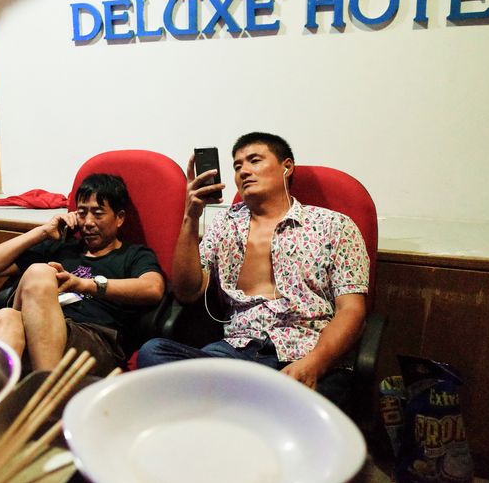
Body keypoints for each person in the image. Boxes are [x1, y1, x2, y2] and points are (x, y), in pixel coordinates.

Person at [136, 133, 369, 406]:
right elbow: (187, 292)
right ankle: (248, 406)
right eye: (237, 166)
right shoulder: (225, 223)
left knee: (302, 410)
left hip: (305, 354)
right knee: (153, 353)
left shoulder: (334, 226)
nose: (244, 170)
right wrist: (191, 216)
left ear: (287, 166)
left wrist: (314, 365)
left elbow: (351, 310)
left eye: (254, 160)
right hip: (235, 356)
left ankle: (230, 408)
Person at [0, 174, 165, 377]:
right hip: (41, 329)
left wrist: (83, 285)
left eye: (98, 214)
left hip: (95, 338)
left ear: (119, 218)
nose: (88, 222)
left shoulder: (133, 255)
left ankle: (48, 391)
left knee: (39, 272)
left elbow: (153, 288)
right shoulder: (63, 247)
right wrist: (43, 231)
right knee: (6, 317)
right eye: (82, 213)